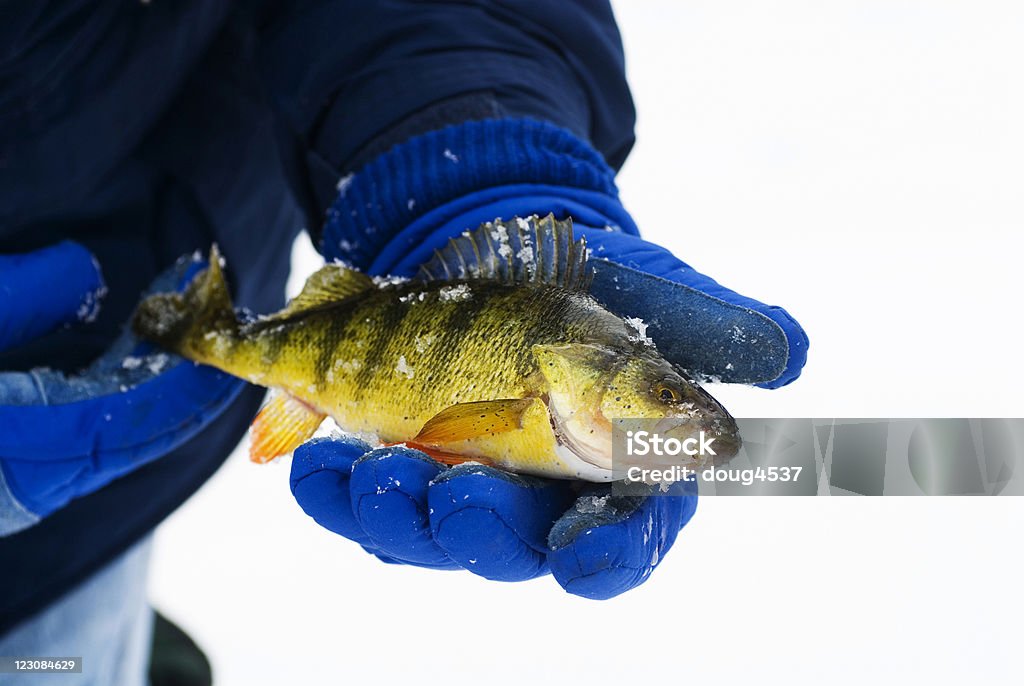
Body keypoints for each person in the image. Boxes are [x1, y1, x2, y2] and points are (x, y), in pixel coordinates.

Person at [0, 2, 807, 684]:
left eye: (667, 396)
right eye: (664, 397)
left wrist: (463, 159)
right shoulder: (554, 400)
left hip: (76, 500)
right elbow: (448, 433)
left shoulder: (570, 390)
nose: (671, 414)